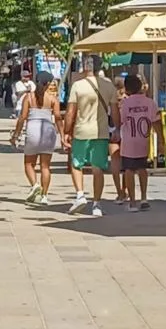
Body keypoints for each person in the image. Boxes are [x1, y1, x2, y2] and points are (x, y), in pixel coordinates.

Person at [65, 58, 119, 217]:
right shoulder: (109, 86)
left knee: (76, 164)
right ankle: (97, 204)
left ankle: (80, 195)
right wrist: (117, 128)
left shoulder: (77, 85)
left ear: (86, 67)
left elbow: (70, 112)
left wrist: (67, 132)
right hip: (101, 132)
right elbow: (115, 111)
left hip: (81, 131)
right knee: (98, 169)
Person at [12, 71, 63, 205]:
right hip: (48, 130)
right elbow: (58, 118)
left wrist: (16, 134)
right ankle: (44, 196)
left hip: (33, 130)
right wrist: (63, 136)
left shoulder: (28, 98)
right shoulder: (53, 99)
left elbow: (22, 117)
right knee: (45, 166)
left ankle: (35, 185)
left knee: (29, 164)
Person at [116, 74, 161, 212]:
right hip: (144, 140)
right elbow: (157, 122)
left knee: (128, 170)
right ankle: (144, 197)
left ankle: (132, 202)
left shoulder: (125, 103)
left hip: (129, 141)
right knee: (142, 169)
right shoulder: (150, 102)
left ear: (127, 89)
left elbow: (120, 121)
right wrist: (161, 141)